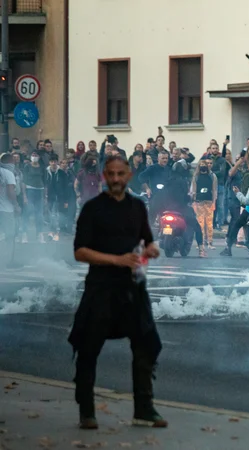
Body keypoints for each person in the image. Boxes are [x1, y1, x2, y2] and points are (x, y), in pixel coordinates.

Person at [69, 156, 166, 430]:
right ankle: (87, 410)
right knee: (88, 348)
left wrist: (151, 250)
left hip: (133, 289)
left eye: (120, 173)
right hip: (101, 287)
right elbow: (79, 251)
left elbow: (147, 240)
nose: (115, 179)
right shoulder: (92, 209)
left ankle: (144, 409)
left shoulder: (137, 207)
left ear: (129, 175)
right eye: (110, 173)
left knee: (146, 344)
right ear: (104, 176)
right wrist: (116, 260)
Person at [191, 158, 218, 251]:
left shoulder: (212, 176)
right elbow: (193, 190)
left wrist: (214, 202)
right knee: (200, 223)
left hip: (209, 202)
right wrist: (193, 201)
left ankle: (210, 242)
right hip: (199, 202)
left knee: (209, 223)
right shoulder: (196, 176)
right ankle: (201, 242)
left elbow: (214, 189)